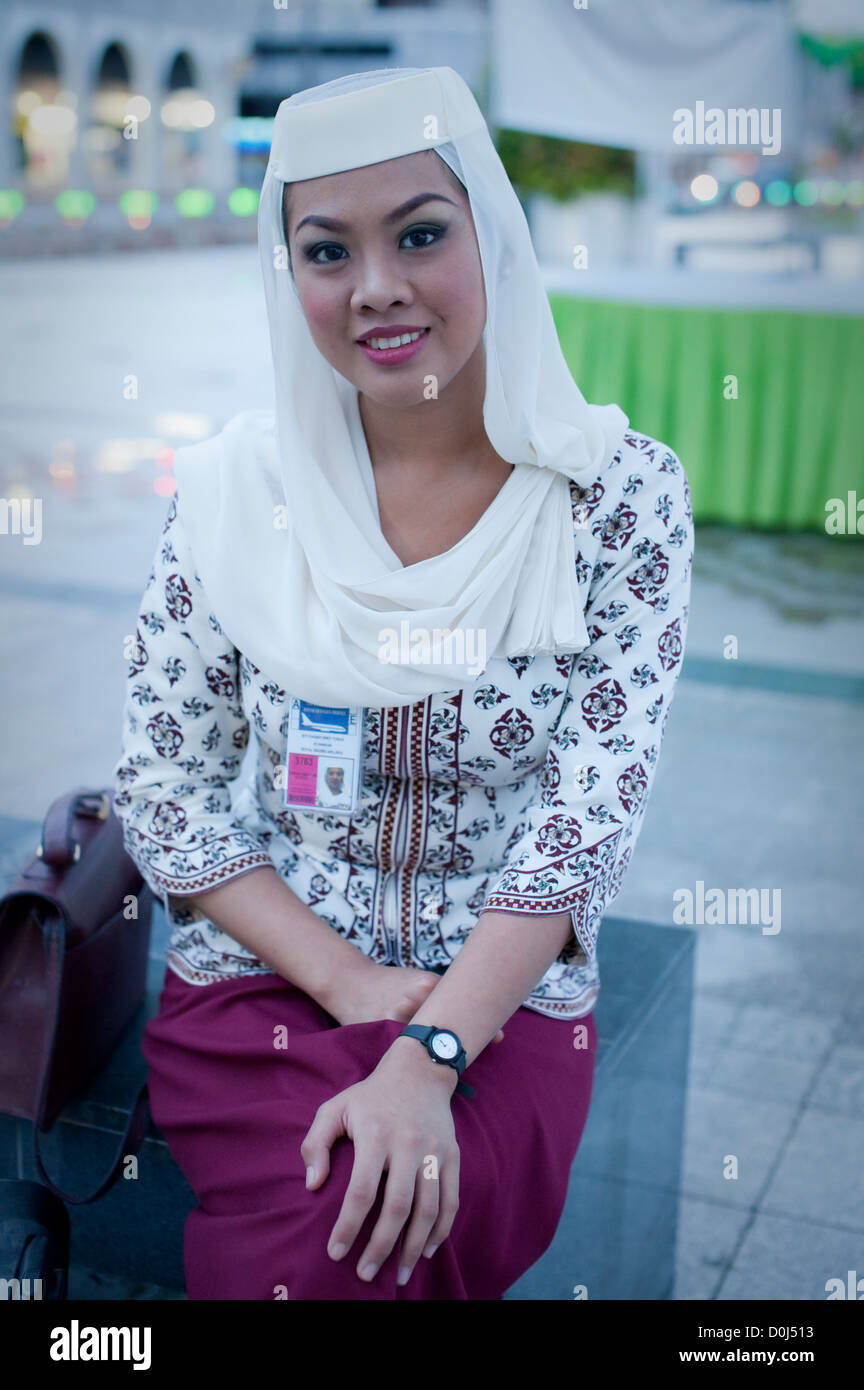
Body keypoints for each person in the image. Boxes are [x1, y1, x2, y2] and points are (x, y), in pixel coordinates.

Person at [113, 65, 693, 1301]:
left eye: (420, 233)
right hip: (264, 992)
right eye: (327, 251)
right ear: (290, 277)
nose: (376, 286)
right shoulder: (234, 497)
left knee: (386, 1228)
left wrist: (426, 1048)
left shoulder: (617, 497)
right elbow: (164, 786)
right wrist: (353, 985)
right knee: (329, 1239)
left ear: (492, 230)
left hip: (501, 1008)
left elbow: (590, 810)